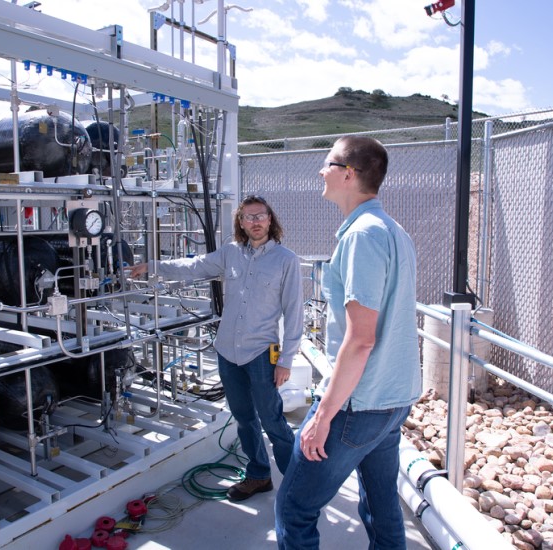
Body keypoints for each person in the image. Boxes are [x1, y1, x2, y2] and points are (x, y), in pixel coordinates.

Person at [275, 136, 421, 549]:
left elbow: (360, 340)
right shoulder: (394, 231)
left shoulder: (362, 236)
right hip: (394, 400)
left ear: (348, 174)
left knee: (294, 508)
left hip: (359, 405)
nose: (321, 171)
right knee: (381, 506)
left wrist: (322, 416)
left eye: (327, 163)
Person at [129, 196, 303, 501]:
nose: (256, 222)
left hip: (261, 353)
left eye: (260, 216)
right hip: (227, 352)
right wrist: (153, 266)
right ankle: (259, 475)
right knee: (244, 418)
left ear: (270, 219)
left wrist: (286, 360)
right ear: (240, 222)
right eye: (249, 218)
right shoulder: (231, 253)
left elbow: (294, 313)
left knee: (273, 420)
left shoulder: (286, 260)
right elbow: (194, 266)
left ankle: (298, 487)